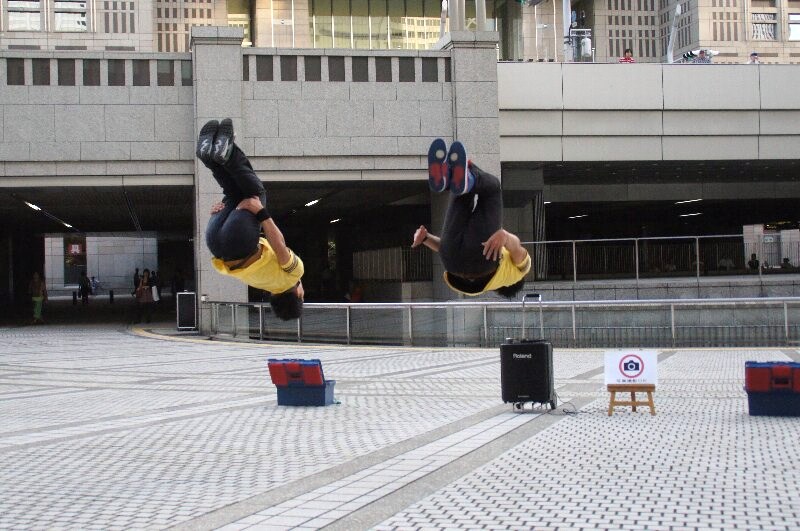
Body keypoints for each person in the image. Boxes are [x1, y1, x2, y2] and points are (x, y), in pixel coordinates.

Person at [196, 118, 305, 320]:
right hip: (216, 243)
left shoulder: (293, 275)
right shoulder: (261, 283)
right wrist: (221, 217)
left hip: (240, 242)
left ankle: (227, 152)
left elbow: (279, 244)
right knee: (233, 193)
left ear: (299, 294)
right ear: (274, 297)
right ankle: (209, 157)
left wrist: (261, 212)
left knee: (256, 194)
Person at [411, 139, 530, 298]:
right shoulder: (488, 285)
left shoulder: (519, 273)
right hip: (451, 260)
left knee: (492, 189)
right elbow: (448, 247)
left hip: (483, 258)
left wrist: (506, 237)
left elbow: (516, 249)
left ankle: (467, 173)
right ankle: (452, 177)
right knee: (460, 192)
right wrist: (425, 238)